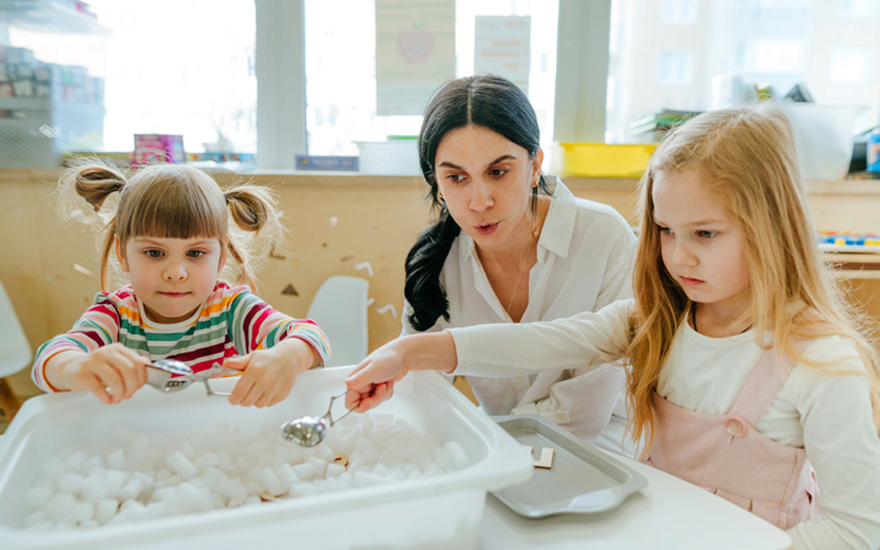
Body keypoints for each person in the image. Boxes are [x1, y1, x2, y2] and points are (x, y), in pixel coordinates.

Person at [345, 105, 880, 550]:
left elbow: (858, 530)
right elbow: (545, 341)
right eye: (667, 231)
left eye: (706, 234)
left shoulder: (822, 361)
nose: (679, 256)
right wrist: (413, 352)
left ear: (772, 227)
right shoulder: (658, 320)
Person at [401, 74, 637, 455]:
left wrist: (485, 444)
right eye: (456, 177)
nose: (479, 201)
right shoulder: (436, 262)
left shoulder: (604, 237)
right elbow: (418, 389)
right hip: (500, 448)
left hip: (606, 451)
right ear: (436, 181)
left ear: (534, 165)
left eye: (497, 172)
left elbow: (585, 414)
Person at [32, 162, 330, 408]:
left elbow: (312, 336)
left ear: (221, 256)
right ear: (123, 254)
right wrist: (75, 368)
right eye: (154, 253)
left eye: (195, 253)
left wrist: (288, 357)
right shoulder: (116, 314)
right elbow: (50, 359)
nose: (176, 272)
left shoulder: (231, 309)